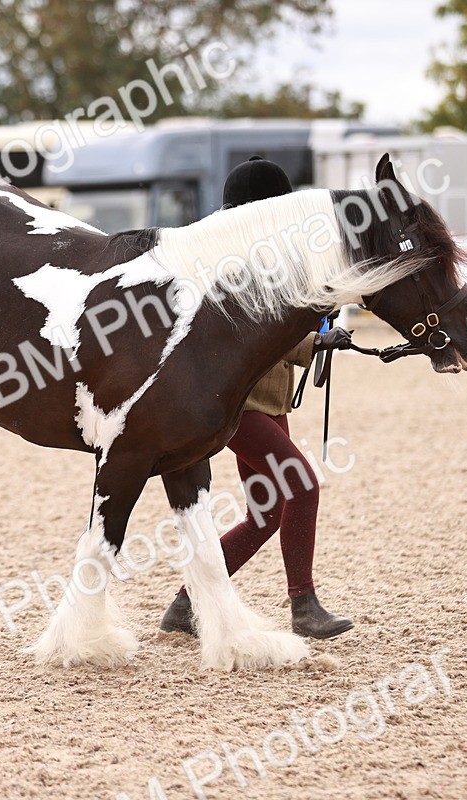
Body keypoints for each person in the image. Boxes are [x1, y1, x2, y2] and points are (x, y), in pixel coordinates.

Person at [159, 157, 355, 640]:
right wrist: (314, 343)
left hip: (269, 399)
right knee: (301, 485)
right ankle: (304, 606)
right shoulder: (233, 270)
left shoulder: (270, 262)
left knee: (266, 513)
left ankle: (186, 606)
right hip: (237, 403)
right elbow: (252, 334)